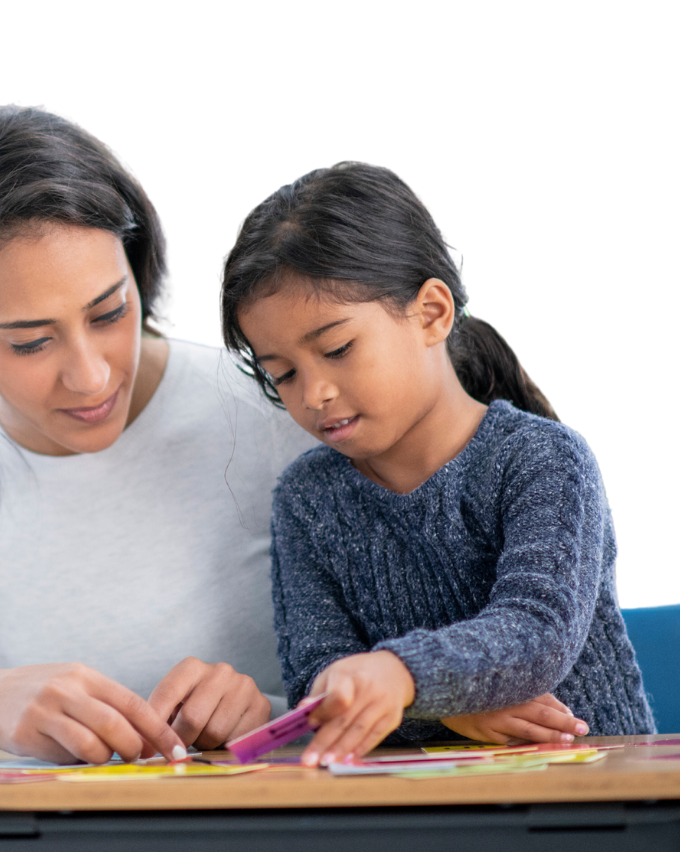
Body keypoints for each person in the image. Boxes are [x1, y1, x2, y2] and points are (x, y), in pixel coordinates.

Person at [0, 105, 320, 847]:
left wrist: (275, 718)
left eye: (109, 311)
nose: (89, 376)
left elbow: (432, 700)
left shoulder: (278, 412)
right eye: (31, 341)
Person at [220, 161, 655, 768]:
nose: (313, 392)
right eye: (283, 374)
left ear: (431, 312)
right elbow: (318, 683)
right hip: (420, 808)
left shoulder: (545, 458)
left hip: (593, 795)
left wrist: (403, 681)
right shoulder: (308, 499)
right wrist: (444, 709)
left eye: (338, 349)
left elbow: (537, 631)